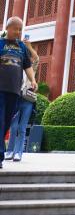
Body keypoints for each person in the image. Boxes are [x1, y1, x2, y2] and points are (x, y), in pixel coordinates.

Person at [0, 18, 37, 170]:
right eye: (15, 29)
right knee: (1, 121)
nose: (18, 32)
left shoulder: (21, 47)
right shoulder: (1, 44)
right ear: (8, 28)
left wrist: (33, 80)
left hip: (14, 92)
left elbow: (27, 66)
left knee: (7, 123)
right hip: (1, 90)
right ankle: (0, 155)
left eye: (20, 29)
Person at [5, 35, 39, 162]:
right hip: (16, 96)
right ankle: (10, 151)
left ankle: (18, 153)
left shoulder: (31, 67)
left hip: (27, 99)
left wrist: (29, 46)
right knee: (13, 126)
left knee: (22, 127)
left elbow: (36, 58)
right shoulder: (16, 64)